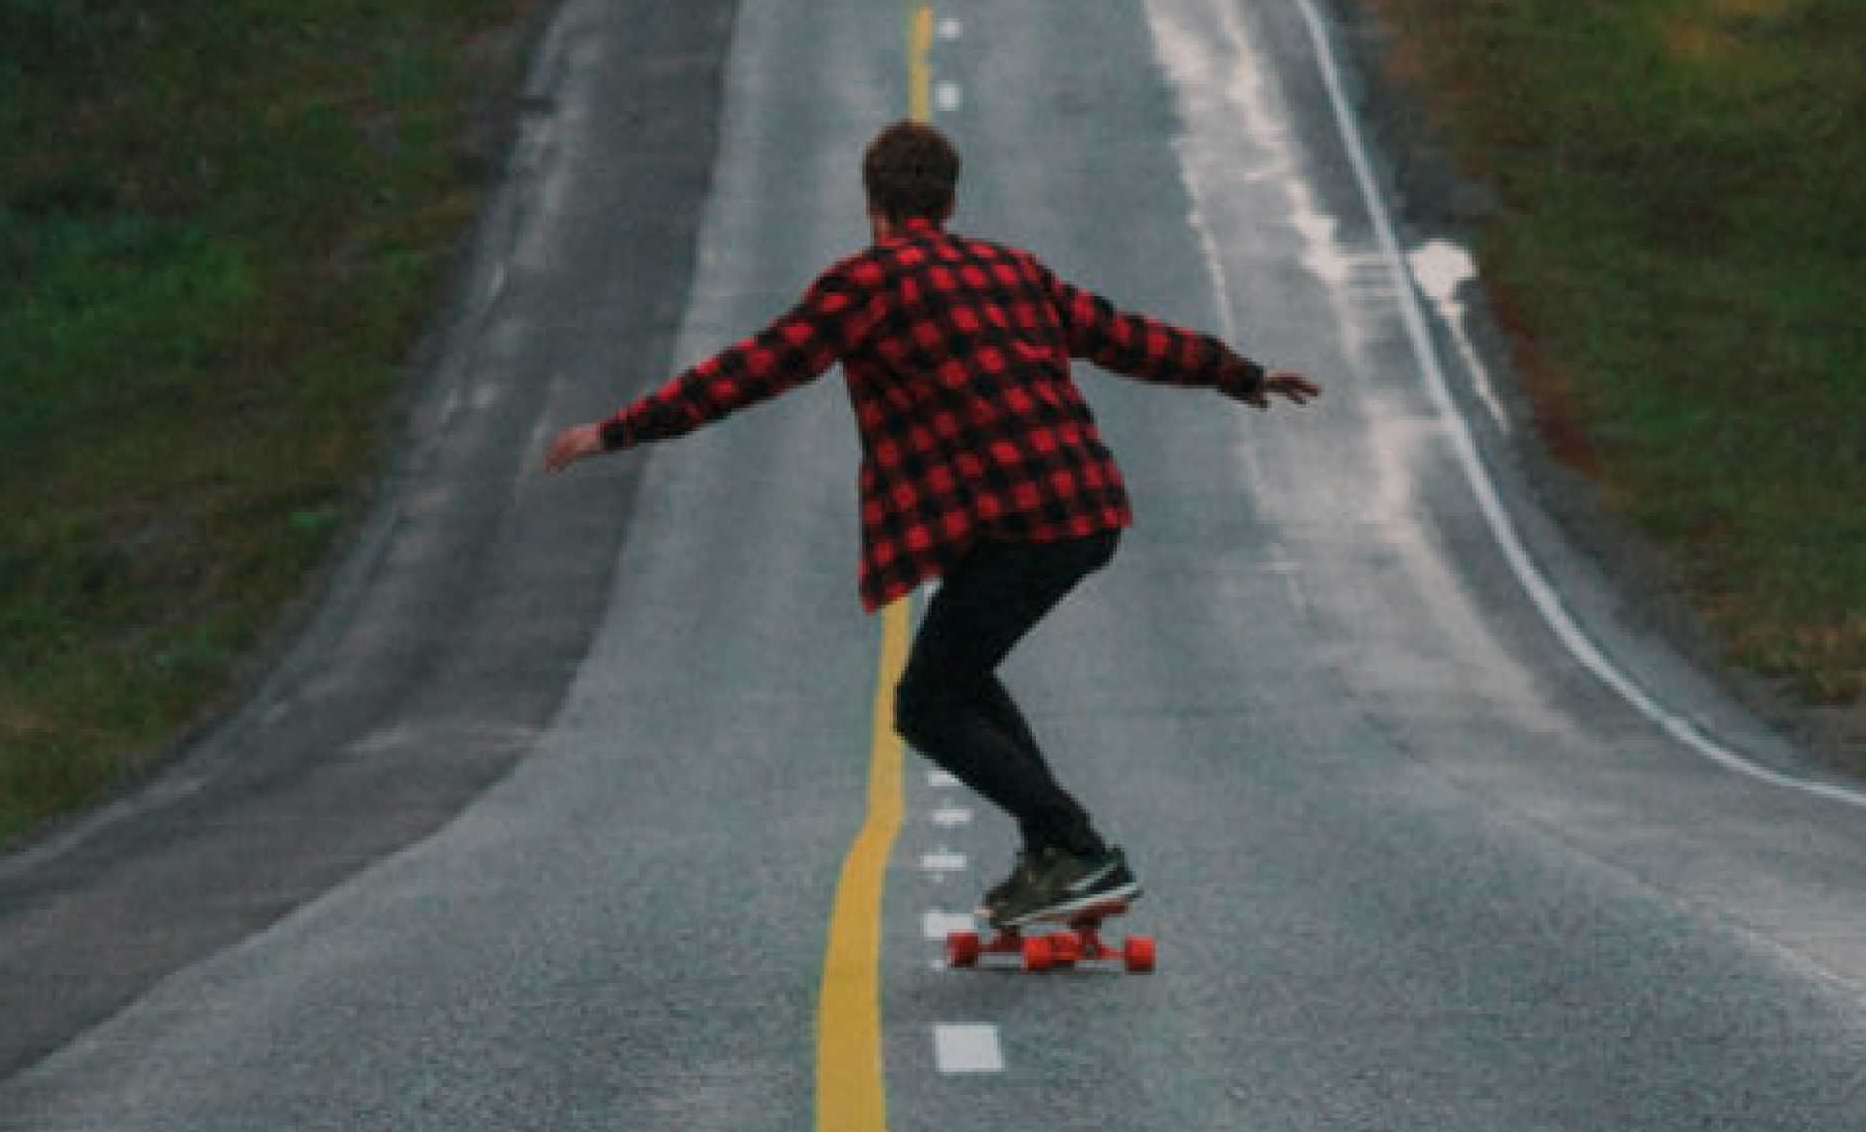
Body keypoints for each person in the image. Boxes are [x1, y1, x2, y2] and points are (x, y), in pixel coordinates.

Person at [539, 117, 1318, 930]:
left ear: (871, 201)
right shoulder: (1010, 270)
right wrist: (1241, 373)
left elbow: (755, 369)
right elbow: (1123, 336)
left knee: (927, 705)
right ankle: (1056, 853)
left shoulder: (867, 283)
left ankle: (1078, 848)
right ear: (948, 199)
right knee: (962, 675)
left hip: (1022, 525)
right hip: (1084, 504)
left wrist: (617, 430)